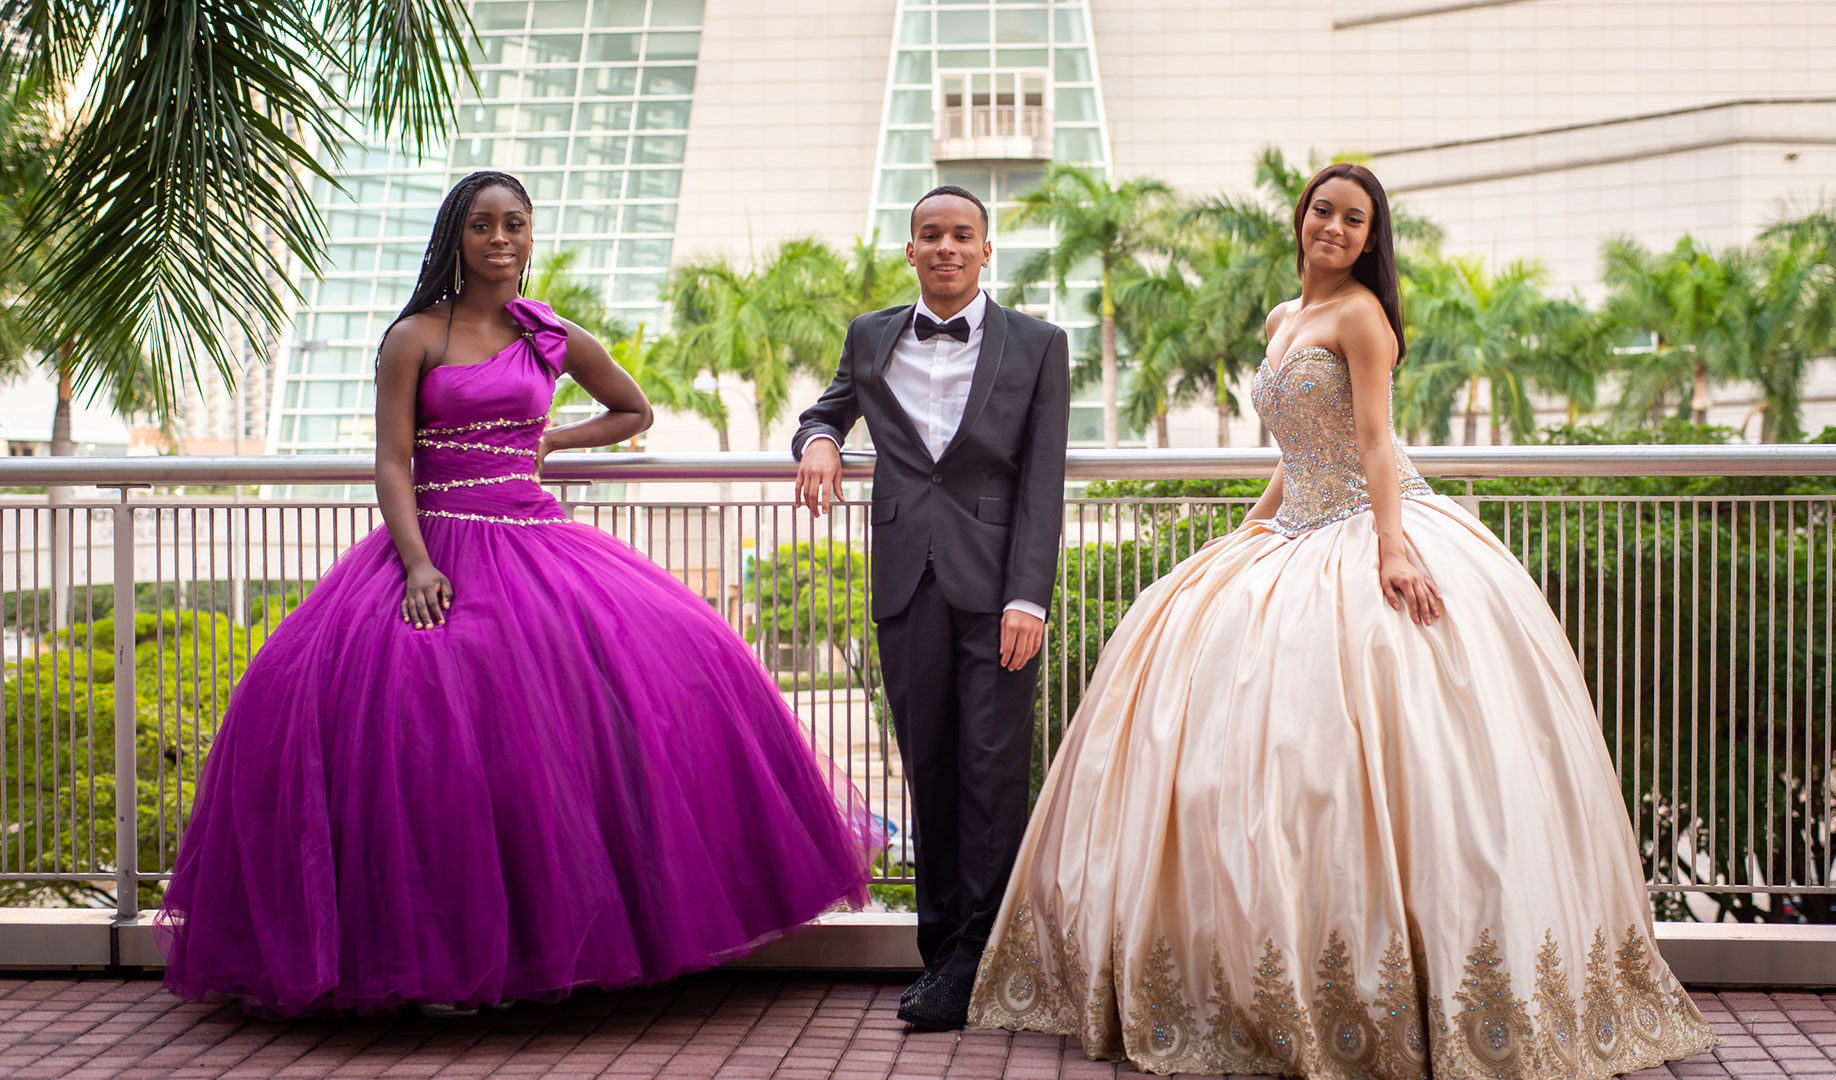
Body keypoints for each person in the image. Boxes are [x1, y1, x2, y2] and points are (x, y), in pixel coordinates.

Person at [968, 164, 1718, 1078]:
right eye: (1323, 209)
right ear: (1303, 218)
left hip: (1369, 524)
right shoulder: (1285, 319)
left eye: (1353, 219)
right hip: (1295, 526)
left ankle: (1412, 981)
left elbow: (1372, 441)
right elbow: (1301, 446)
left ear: (1370, 239)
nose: (1333, 226)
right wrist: (1250, 525)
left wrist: (1393, 548)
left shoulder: (1364, 316)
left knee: (1382, 750)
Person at [157, 170, 877, 1017]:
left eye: (515, 225)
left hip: (535, 536)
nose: (501, 239)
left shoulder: (550, 334)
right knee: (408, 726)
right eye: (482, 226)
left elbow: (633, 410)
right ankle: (431, 960)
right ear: (454, 239)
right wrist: (419, 565)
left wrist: (545, 441)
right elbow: (393, 462)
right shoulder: (415, 336)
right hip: (436, 541)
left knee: (675, 668)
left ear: (530, 237)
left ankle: (548, 952)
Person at [792, 185, 1070, 1030]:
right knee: (932, 769)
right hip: (906, 582)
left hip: (1000, 595)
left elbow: (1042, 481)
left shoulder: (1038, 344)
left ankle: (981, 958)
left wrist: (1030, 594)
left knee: (992, 773)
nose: (945, 247)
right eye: (929, 235)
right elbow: (826, 406)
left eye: (962, 235)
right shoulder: (871, 335)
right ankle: (942, 950)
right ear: (910, 251)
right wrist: (820, 442)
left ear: (988, 251)